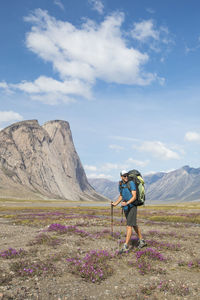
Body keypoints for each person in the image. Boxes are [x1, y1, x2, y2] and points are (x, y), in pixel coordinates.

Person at [111, 170, 147, 253]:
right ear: (121, 177)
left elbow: (134, 196)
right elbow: (121, 195)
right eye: (124, 176)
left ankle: (126, 246)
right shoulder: (121, 184)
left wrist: (127, 203)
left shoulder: (131, 183)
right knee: (133, 224)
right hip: (126, 207)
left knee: (129, 225)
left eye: (127, 175)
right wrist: (115, 204)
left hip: (132, 206)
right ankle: (142, 241)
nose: (126, 177)